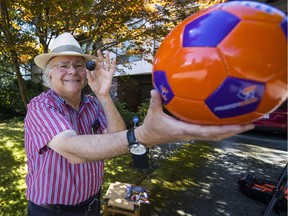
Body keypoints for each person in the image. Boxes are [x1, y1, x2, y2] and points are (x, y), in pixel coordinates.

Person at [24, 32, 254, 216]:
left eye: (79, 65)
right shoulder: (41, 106)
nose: (72, 71)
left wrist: (104, 95)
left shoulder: (93, 103)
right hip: (51, 211)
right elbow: (74, 151)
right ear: (49, 74)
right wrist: (142, 135)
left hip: (92, 204)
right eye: (63, 65)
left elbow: (116, 135)